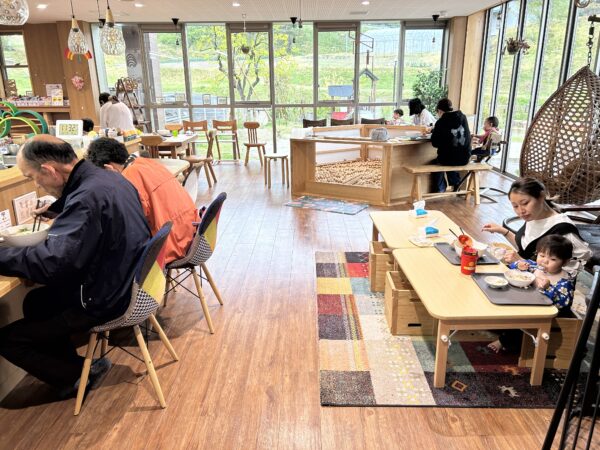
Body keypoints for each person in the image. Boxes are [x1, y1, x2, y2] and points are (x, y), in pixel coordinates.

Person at [0, 135, 151, 398]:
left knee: (7, 339)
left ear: (49, 170)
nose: (36, 184)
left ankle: (73, 377)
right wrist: (61, 209)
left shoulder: (86, 197)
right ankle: (76, 369)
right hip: (130, 283)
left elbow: (53, 264)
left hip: (106, 298)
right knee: (36, 302)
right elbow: (90, 210)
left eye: (33, 177)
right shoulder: (109, 177)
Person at [87, 137, 197, 263]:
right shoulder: (147, 163)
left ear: (108, 168)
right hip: (191, 231)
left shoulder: (128, 179)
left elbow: (132, 226)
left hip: (172, 245)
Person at [488, 235, 576, 353]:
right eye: (542, 255)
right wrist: (518, 265)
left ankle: (505, 341)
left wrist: (548, 287)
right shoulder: (535, 266)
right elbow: (516, 265)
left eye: (553, 259)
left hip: (547, 314)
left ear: (565, 262)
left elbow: (563, 303)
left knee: (522, 319)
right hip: (530, 302)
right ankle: (502, 326)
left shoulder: (565, 280)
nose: (545, 261)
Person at [482, 177, 591, 271]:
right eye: (515, 206)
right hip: (522, 276)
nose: (520, 211)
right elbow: (527, 249)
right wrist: (503, 231)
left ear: (541, 196)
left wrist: (521, 262)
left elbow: (565, 275)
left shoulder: (563, 230)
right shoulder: (534, 216)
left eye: (525, 203)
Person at [429, 98, 472, 192]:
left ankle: (440, 189)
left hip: (447, 159)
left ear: (440, 111)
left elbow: (435, 143)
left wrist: (435, 132)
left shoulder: (441, 122)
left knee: (439, 161)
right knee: (452, 155)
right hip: (465, 157)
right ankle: (456, 183)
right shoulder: (463, 118)